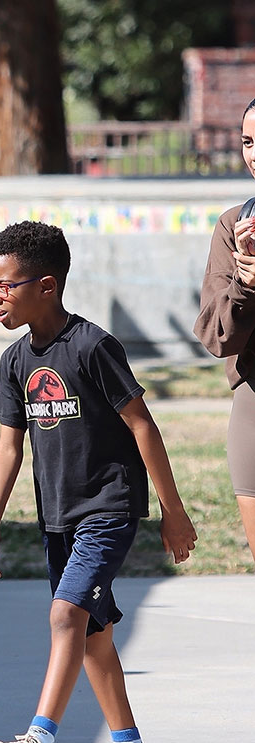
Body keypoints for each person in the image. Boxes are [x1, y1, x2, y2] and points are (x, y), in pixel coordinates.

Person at [0, 221, 197, 743]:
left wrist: (172, 512)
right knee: (93, 633)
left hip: (109, 506)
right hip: (59, 518)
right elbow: (9, 444)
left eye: (4, 285)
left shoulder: (93, 346)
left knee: (65, 614)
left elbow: (142, 425)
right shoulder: (15, 359)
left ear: (46, 286)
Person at [194, 97, 255, 562]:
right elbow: (218, 337)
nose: (253, 153)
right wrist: (246, 284)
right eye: (248, 142)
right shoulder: (234, 225)